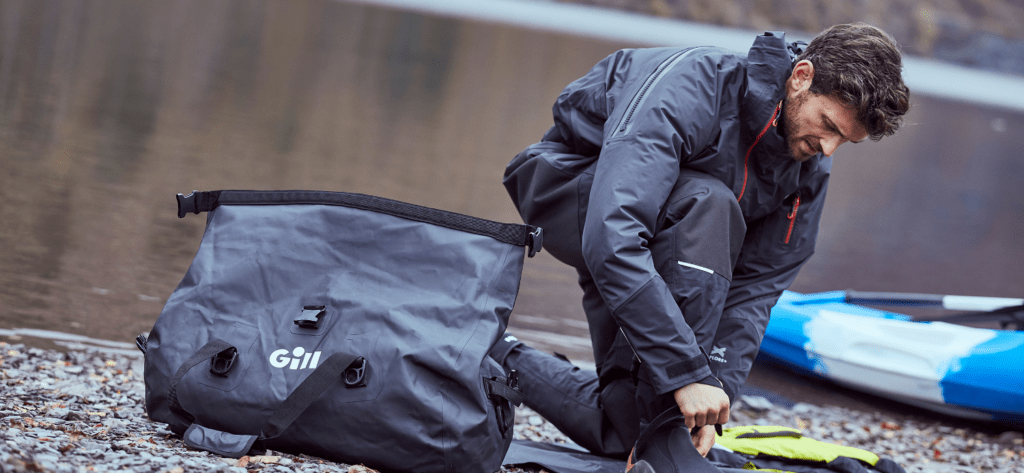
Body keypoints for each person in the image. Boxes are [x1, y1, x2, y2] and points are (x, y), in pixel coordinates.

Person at [492, 23, 910, 472]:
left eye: (845, 141)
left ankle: (498, 350)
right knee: (710, 204)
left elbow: (756, 289)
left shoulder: (808, 160)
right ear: (801, 76)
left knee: (622, 427)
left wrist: (714, 393)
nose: (828, 149)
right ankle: (665, 428)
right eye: (828, 125)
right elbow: (613, 236)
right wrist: (685, 374)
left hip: (676, 242)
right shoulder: (693, 85)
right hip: (571, 192)